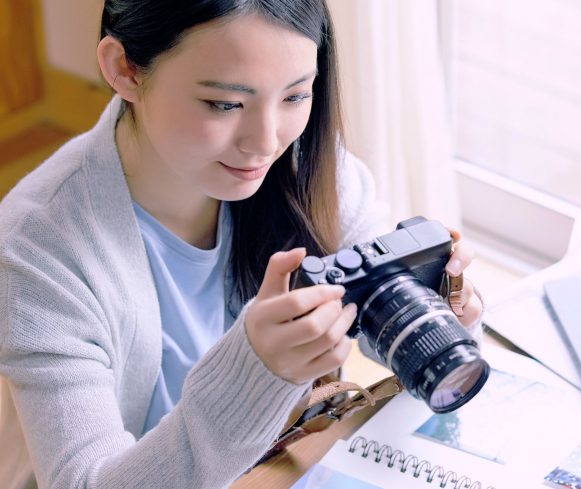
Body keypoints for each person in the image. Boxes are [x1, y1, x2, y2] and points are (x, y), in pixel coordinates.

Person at [0, 1, 484, 487]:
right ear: (124, 69)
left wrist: (435, 311)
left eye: (295, 96)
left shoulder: (306, 166)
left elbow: (384, 321)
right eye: (226, 104)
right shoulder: (37, 254)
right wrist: (256, 373)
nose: (266, 142)